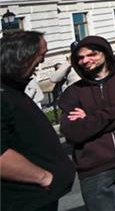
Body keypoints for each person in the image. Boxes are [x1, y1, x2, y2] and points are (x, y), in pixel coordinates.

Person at [59, 35, 115, 211]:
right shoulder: (73, 93)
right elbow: (73, 132)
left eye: (91, 54)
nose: (85, 60)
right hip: (95, 169)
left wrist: (90, 119)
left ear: (105, 53)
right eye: (80, 57)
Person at [2, 31, 76, 211]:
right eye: (41, 55)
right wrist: (43, 177)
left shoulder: (13, 90)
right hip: (26, 200)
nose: (42, 62)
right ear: (22, 56)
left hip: (41, 197)